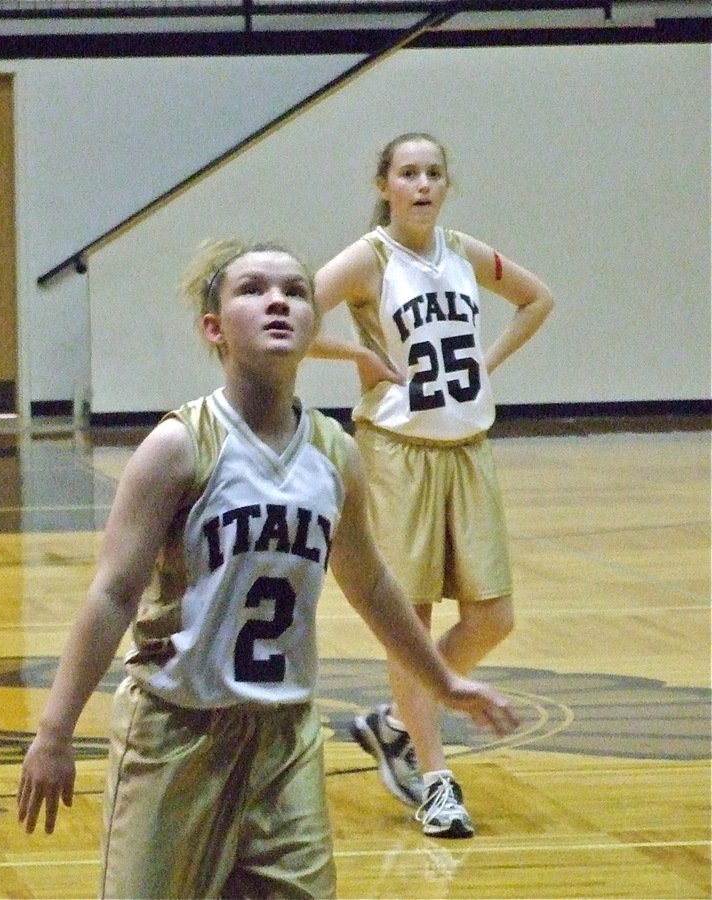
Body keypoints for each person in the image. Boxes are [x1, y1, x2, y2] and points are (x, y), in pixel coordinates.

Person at [17, 238, 519, 898]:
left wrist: (442, 681)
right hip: (178, 732)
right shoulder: (178, 447)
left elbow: (370, 583)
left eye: (295, 290)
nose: (277, 300)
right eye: (252, 289)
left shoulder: (334, 452)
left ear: (314, 325)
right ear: (214, 328)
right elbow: (112, 594)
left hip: (286, 741)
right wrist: (54, 733)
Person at [309, 132, 554, 839]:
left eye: (434, 173)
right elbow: (297, 316)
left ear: (447, 185)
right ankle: (435, 775)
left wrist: (488, 362)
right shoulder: (369, 258)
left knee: (494, 616)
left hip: (468, 447)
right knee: (408, 622)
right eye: (408, 174)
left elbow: (537, 299)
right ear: (384, 185)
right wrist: (354, 350)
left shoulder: (465, 251)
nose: (422, 185)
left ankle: (393, 723)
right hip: (396, 450)